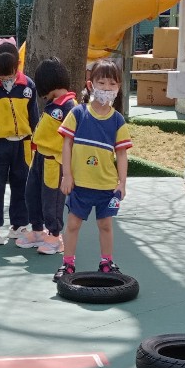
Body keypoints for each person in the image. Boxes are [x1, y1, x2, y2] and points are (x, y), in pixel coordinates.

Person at [56, 58, 130, 282]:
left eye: (112, 84)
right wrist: (67, 175)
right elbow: (66, 144)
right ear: (91, 85)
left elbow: (122, 154)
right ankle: (68, 264)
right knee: (73, 224)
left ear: (118, 88)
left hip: (106, 186)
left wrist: (122, 183)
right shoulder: (78, 114)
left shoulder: (117, 121)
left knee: (105, 225)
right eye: (102, 83)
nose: (107, 88)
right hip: (80, 184)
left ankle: (106, 262)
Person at [0, 46, 39, 245]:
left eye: (9, 74)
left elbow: (34, 116)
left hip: (23, 144)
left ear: (17, 66)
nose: (6, 79)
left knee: (22, 185)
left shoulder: (28, 85)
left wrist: (33, 141)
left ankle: (19, 224)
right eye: (1, 76)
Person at [19, 56, 77, 254]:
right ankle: (37, 230)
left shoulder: (69, 106)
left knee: (52, 200)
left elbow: (73, 138)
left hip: (55, 161)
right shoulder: (53, 104)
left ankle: (54, 236)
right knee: (32, 194)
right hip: (39, 157)